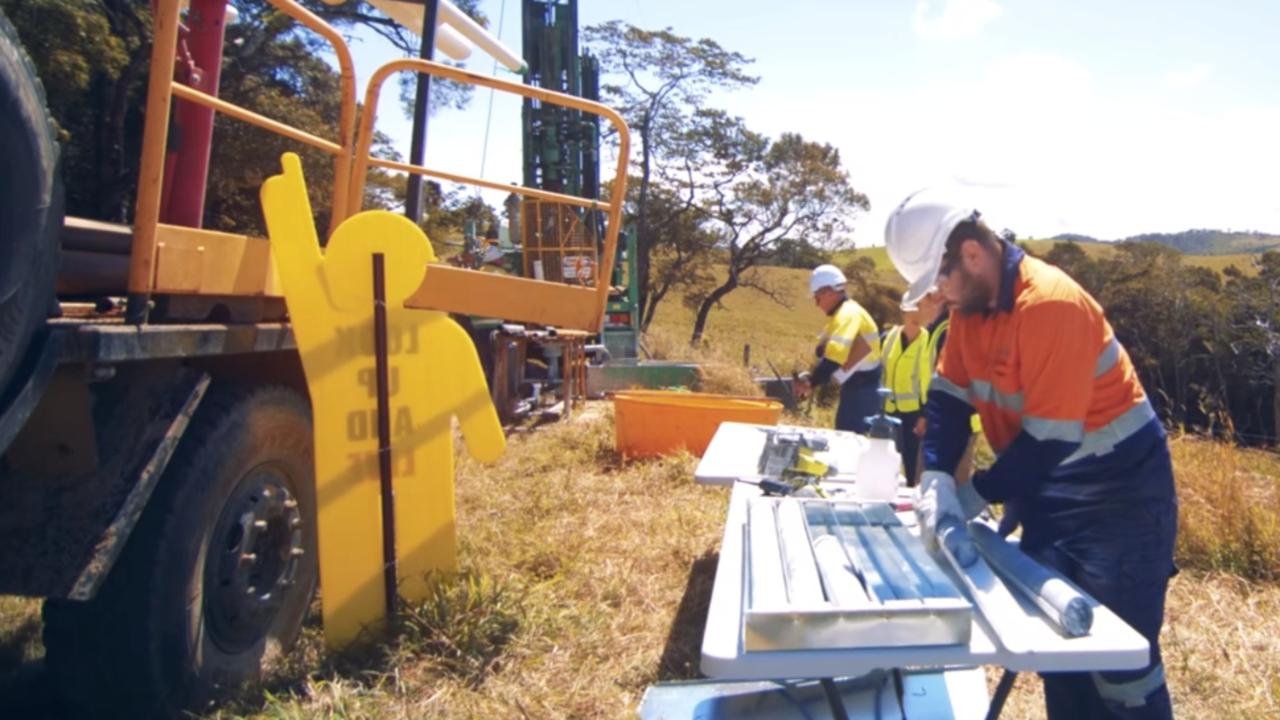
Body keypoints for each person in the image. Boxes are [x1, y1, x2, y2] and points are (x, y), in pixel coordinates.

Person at [885, 188, 1178, 719]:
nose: (939, 297)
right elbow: (948, 400)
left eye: (939, 280)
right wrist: (934, 480)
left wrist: (973, 493)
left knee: (1121, 663)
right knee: (1061, 650)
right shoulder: (970, 313)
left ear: (971, 254)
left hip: (1118, 496)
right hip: (1045, 484)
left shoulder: (1049, 304)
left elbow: (1050, 441)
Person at [796, 264, 882, 433]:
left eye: (817, 298)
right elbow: (824, 351)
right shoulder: (841, 314)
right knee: (846, 437)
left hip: (863, 390)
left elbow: (834, 357)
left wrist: (811, 382)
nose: (816, 303)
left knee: (849, 441)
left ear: (828, 292)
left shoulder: (847, 315)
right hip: (856, 387)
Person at [879, 300, 930, 482]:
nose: (916, 315)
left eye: (920, 310)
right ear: (904, 312)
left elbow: (929, 381)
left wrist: (925, 414)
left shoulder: (928, 340)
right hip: (888, 408)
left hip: (915, 412)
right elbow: (881, 369)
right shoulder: (889, 337)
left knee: (911, 461)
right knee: (886, 457)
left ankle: (909, 494)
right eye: (912, 310)